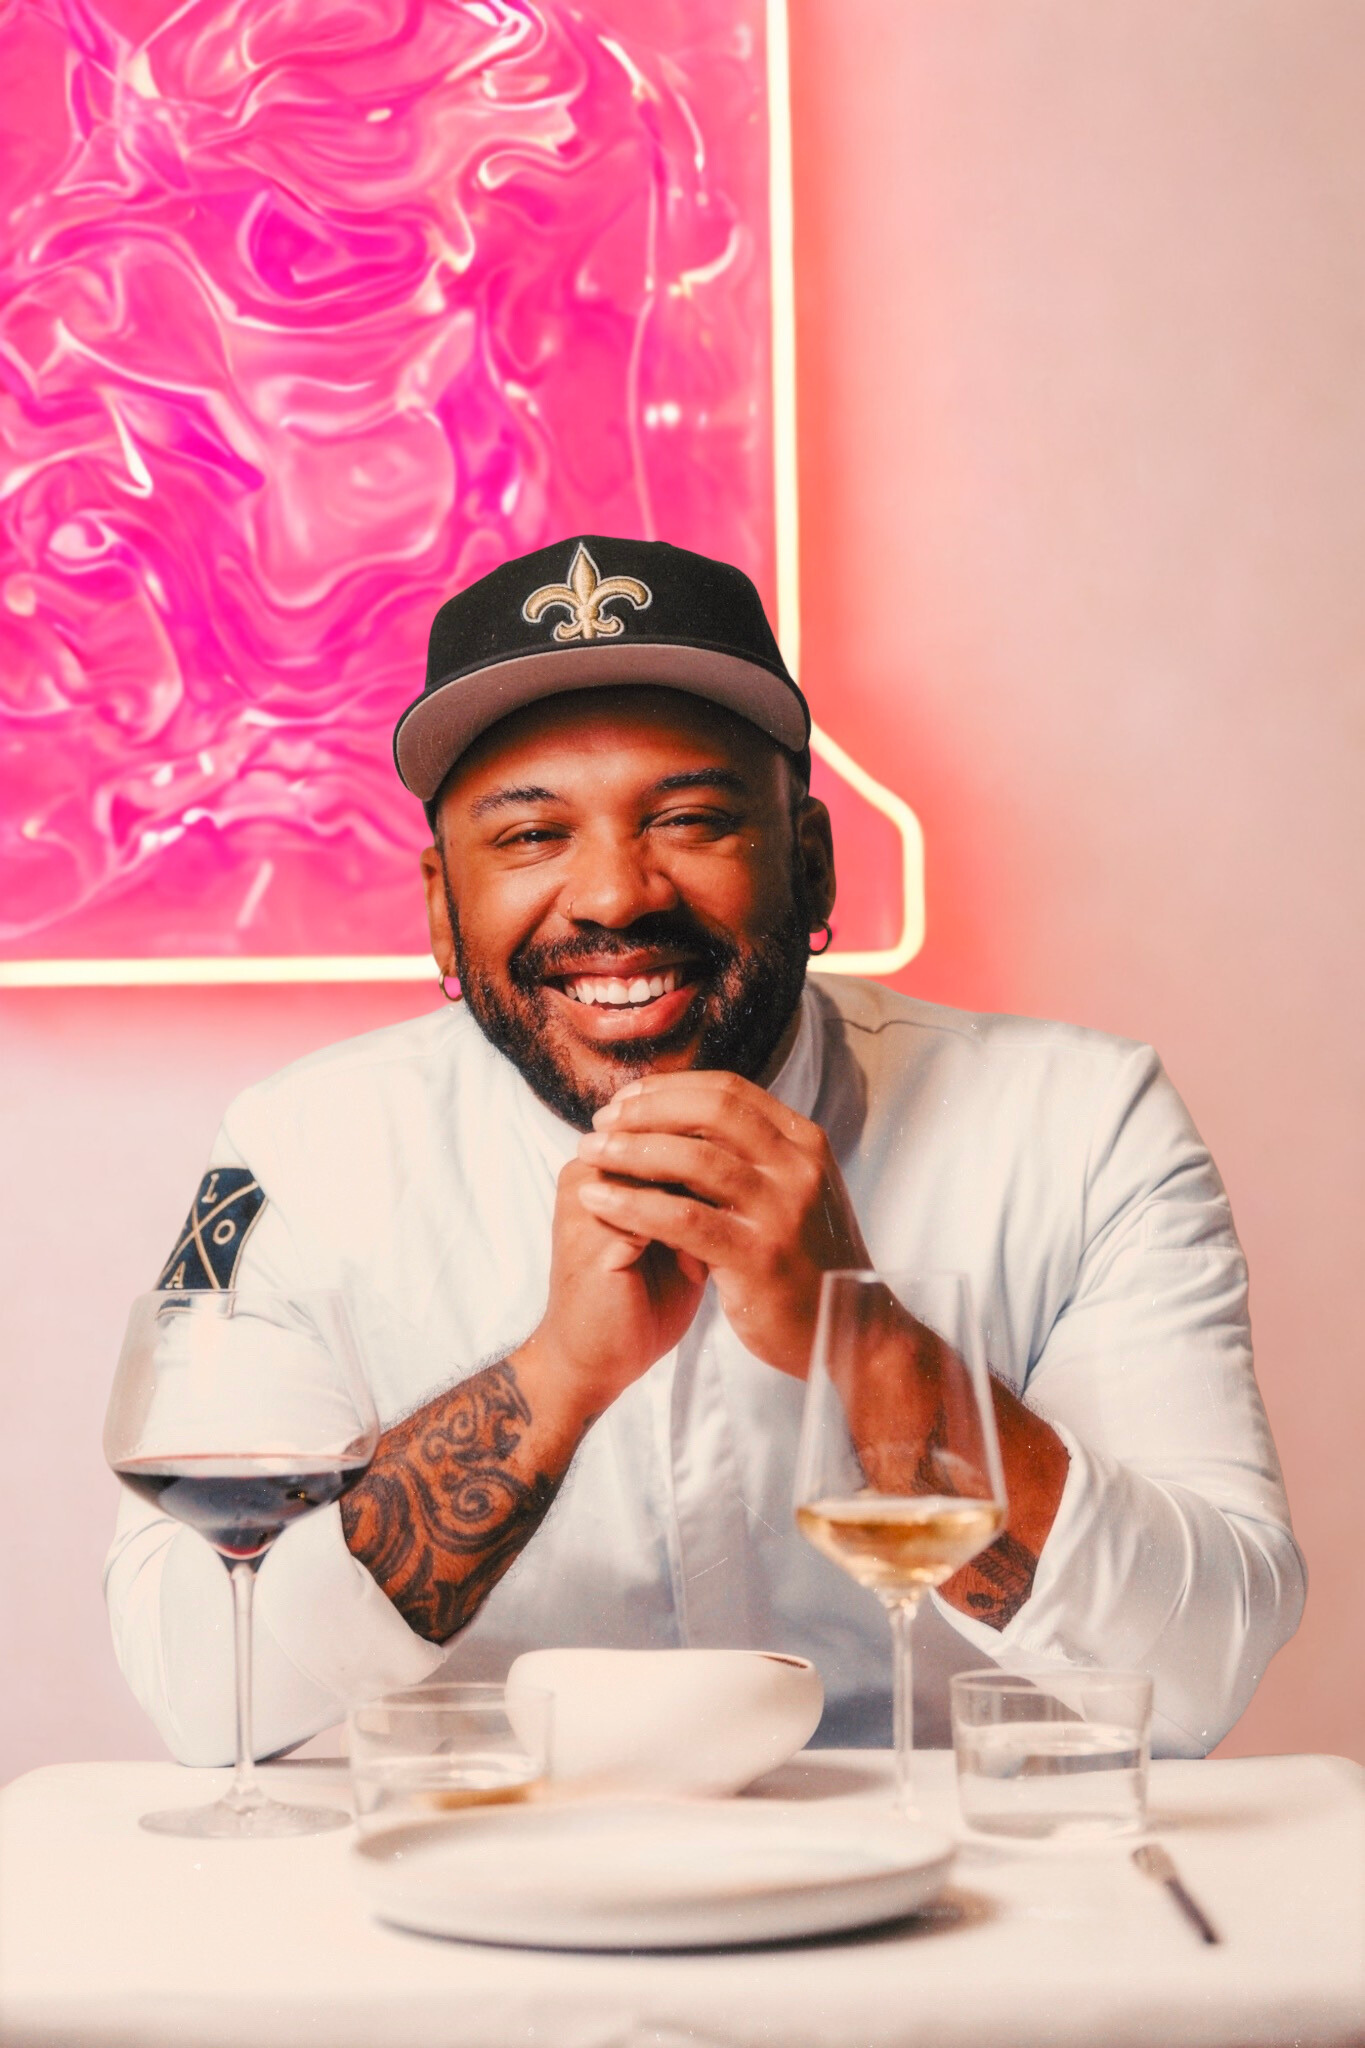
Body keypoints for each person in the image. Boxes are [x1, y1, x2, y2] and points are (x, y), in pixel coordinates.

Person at [106, 536, 1304, 1763]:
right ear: (439, 906)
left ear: (813, 858)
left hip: (964, 1904)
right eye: (530, 836)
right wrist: (556, 1376)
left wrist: (868, 1336)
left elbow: (1201, 1664)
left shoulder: (1083, 1123)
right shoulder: (300, 1150)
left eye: (691, 818)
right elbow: (208, 1689)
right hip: (471, 1899)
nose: (617, 896)